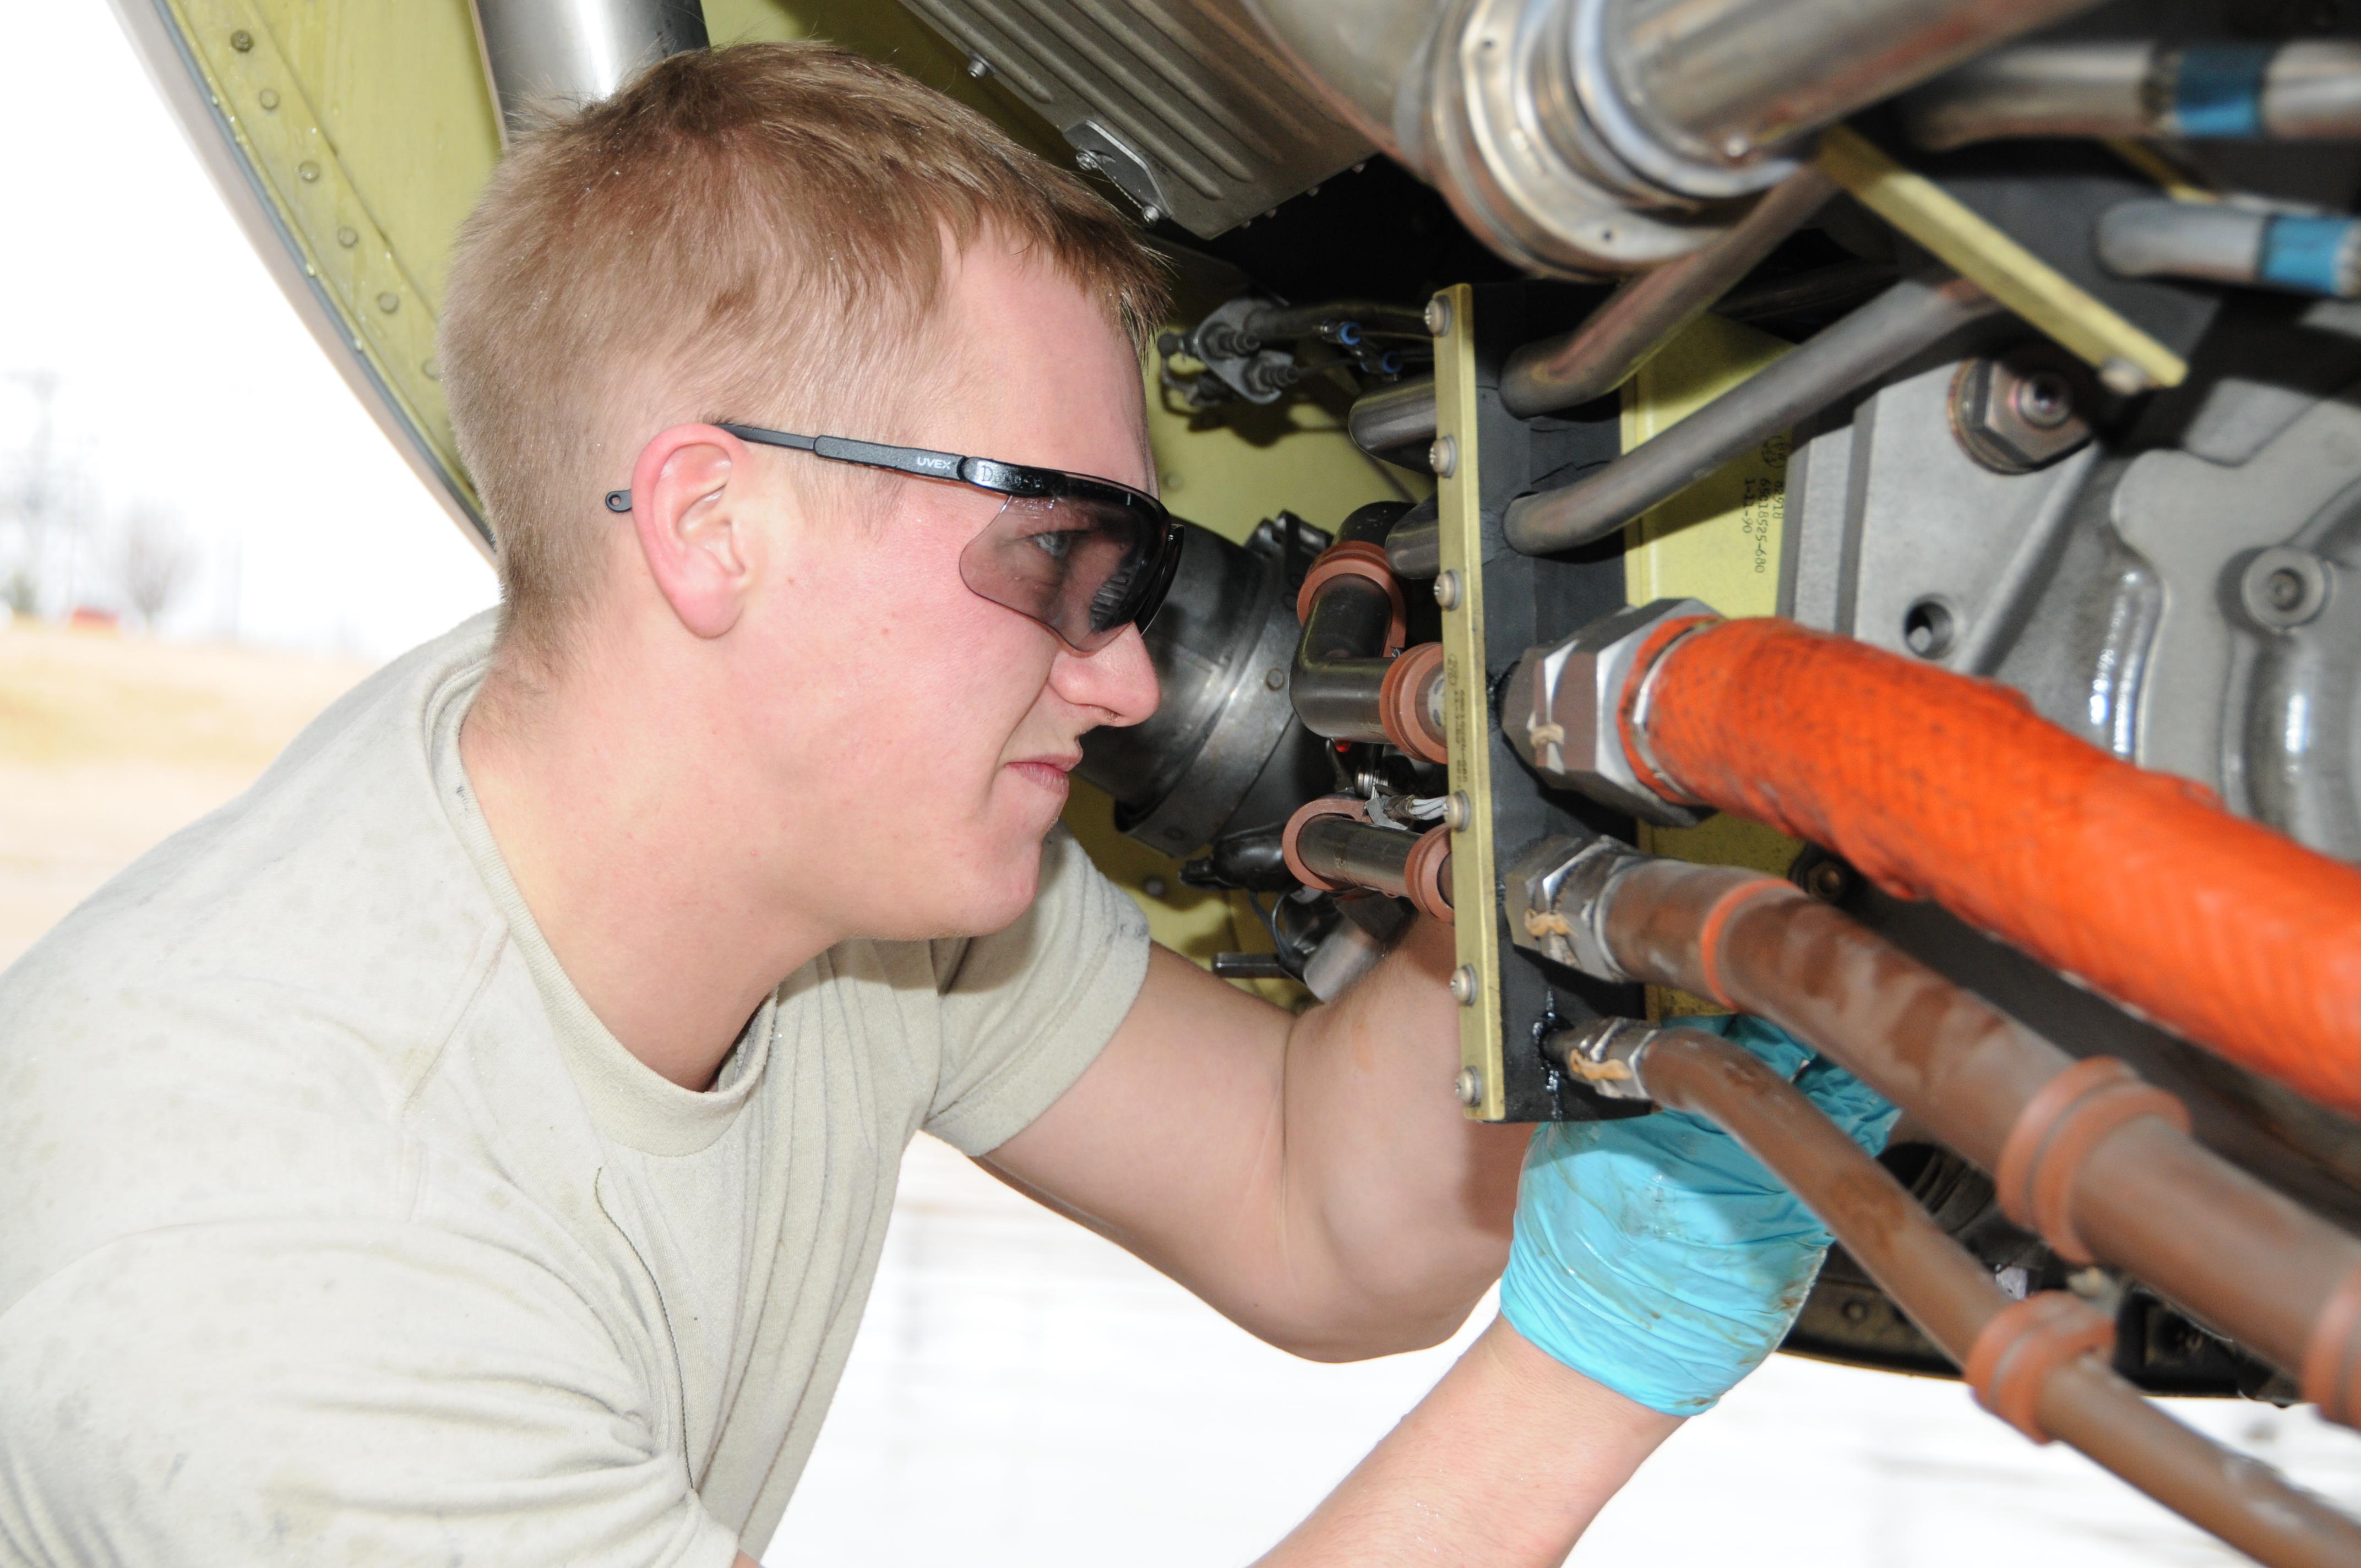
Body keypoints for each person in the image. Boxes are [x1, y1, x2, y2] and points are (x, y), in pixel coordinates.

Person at [0, 41, 1889, 1566]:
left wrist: (1493, 893)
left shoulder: (830, 852)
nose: (1132, 674)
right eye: (1062, 556)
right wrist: (1591, 1372)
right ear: (712, 526)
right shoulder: (282, 1268)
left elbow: (1316, 1213)